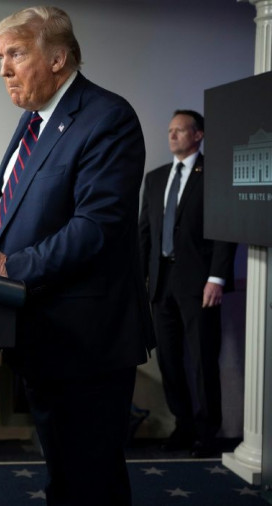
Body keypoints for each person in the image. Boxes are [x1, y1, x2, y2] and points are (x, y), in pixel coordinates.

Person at [0, 6, 154, 505]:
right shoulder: (36, 121)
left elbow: (98, 227)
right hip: (43, 333)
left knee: (90, 481)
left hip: (86, 340)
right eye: (0, 57)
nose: (3, 69)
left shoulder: (106, 117)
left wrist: (8, 266)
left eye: (15, 53)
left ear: (57, 58)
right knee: (65, 475)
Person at [139, 110, 236, 458]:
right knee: (168, 360)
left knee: (202, 360)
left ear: (198, 135)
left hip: (199, 284)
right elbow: (144, 236)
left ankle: (208, 433)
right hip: (161, 285)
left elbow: (226, 230)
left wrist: (217, 277)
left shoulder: (214, 175)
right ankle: (184, 425)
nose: (173, 136)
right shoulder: (154, 178)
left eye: (180, 130)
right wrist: (140, 282)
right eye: (170, 130)